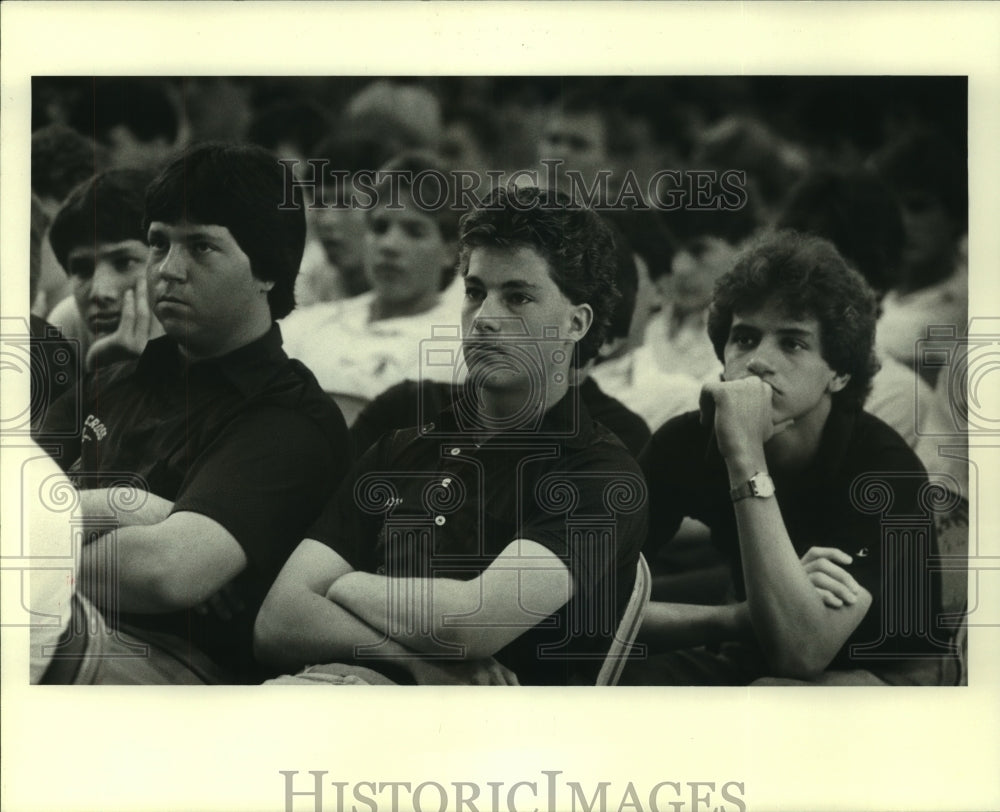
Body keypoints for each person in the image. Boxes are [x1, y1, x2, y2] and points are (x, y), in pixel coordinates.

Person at [255, 186, 647, 686]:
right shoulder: (403, 444)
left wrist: (347, 585)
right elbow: (278, 620)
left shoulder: (598, 472)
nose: (484, 319)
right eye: (476, 292)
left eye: (518, 297)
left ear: (576, 322)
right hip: (329, 692)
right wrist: (412, 660)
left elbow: (470, 623)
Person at [39, 143, 351, 684]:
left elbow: (167, 572)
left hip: (177, 672)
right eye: (159, 244)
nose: (168, 270)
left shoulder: (290, 417)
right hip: (69, 629)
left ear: (268, 271)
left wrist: (41, 546)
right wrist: (119, 507)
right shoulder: (109, 379)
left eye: (201, 247)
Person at [627, 230, 953, 686]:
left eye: (793, 343)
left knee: (772, 695)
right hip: (751, 649)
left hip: (891, 676)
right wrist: (731, 619)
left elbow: (800, 654)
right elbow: (586, 601)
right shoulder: (688, 440)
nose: (759, 360)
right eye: (744, 339)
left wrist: (745, 460)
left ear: (838, 372)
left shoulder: (881, 469)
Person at [280, 151, 466, 424]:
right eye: (380, 227)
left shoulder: (460, 345)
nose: (389, 245)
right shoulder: (305, 324)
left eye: (414, 231)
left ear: (450, 251)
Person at [44, 169, 163, 372]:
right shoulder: (67, 324)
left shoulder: (204, 331)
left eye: (124, 262)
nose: (99, 292)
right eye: (82, 269)